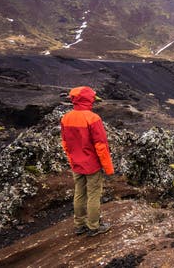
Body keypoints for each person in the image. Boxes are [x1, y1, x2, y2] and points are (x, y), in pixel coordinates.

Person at [60, 86, 114, 237]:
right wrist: (108, 168)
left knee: (79, 193)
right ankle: (93, 226)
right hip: (92, 165)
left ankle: (79, 224)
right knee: (93, 195)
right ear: (89, 99)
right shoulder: (93, 118)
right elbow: (101, 146)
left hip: (77, 164)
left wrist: (72, 161)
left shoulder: (66, 117)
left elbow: (65, 143)